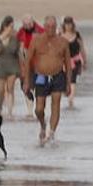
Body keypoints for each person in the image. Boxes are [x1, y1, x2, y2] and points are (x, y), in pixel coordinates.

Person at [21, 15, 72, 146]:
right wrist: (26, 82)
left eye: (53, 27)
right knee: (39, 109)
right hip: (41, 77)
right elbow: (27, 62)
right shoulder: (36, 40)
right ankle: (43, 124)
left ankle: (52, 133)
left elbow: (67, 63)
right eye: (48, 27)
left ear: (56, 27)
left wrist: (68, 83)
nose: (50, 29)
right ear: (44, 27)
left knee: (56, 103)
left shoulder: (63, 42)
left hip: (58, 76)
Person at [0, 16, 22, 119]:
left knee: (10, 88)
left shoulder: (15, 38)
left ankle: (10, 111)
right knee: (1, 90)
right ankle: (0, 107)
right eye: (10, 26)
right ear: (5, 26)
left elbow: (18, 51)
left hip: (13, 65)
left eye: (13, 26)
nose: (12, 28)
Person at [60, 16, 86, 109]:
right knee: (64, 80)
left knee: (73, 80)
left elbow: (82, 48)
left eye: (70, 24)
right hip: (63, 62)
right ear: (64, 25)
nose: (68, 26)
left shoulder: (77, 35)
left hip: (75, 60)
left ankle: (71, 100)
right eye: (66, 24)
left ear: (72, 24)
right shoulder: (60, 35)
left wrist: (85, 61)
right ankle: (67, 94)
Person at [16, 14, 40, 111]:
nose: (26, 26)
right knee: (25, 87)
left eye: (28, 24)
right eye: (24, 24)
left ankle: (36, 108)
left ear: (32, 22)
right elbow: (17, 45)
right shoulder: (21, 31)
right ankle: (29, 110)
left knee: (37, 87)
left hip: (37, 65)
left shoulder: (40, 30)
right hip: (24, 64)